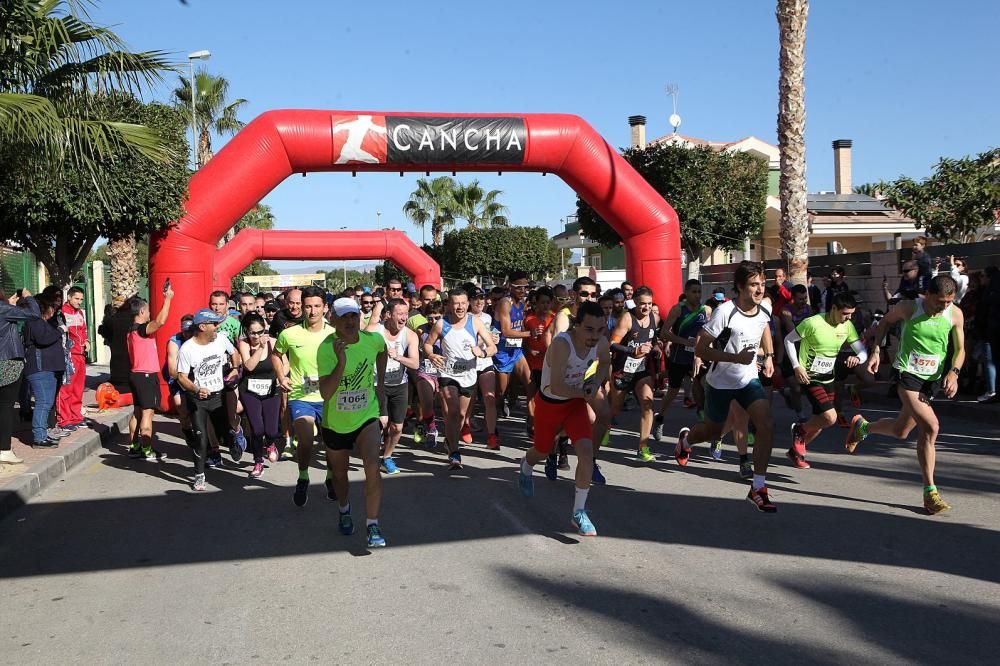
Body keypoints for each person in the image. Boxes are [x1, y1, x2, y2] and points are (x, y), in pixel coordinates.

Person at [845, 275, 964, 514]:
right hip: (907, 374)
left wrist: (954, 372)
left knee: (901, 430)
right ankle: (930, 493)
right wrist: (877, 350)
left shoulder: (954, 313)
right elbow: (885, 323)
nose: (942, 307)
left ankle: (863, 428)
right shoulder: (910, 308)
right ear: (927, 295)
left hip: (932, 379)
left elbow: (960, 349)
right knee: (931, 427)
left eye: (947, 303)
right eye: (939, 302)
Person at [676, 261, 778, 512]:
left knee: (765, 424)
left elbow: (763, 326)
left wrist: (769, 357)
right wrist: (735, 358)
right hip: (720, 382)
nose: (759, 290)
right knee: (712, 432)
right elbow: (701, 348)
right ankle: (686, 442)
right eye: (754, 285)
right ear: (740, 287)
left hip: (747, 379)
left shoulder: (764, 308)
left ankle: (758, 487)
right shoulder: (725, 312)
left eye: (762, 284)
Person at [517, 301, 611, 536]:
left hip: (575, 404)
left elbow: (606, 364)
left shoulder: (599, 342)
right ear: (576, 325)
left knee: (586, 454)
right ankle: (526, 465)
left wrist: (594, 383)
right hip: (550, 404)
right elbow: (557, 387)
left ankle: (578, 512)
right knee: (541, 449)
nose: (595, 336)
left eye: (600, 330)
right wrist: (586, 392)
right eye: (589, 329)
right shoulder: (562, 345)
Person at [318, 297, 389, 548]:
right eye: (344, 317)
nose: (350, 321)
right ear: (333, 320)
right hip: (336, 422)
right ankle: (344, 508)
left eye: (353, 315)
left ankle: (372, 525)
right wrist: (341, 363)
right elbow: (326, 393)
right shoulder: (327, 348)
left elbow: (382, 351)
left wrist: (380, 386)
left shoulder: (373, 340)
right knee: (340, 476)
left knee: (372, 466)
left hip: (366, 416)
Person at [784, 292, 867, 469]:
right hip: (810, 377)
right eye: (845, 313)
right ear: (834, 309)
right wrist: (796, 366)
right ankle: (799, 430)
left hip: (828, 377)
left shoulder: (847, 326)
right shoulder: (812, 323)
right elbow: (788, 340)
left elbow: (862, 351)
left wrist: (858, 358)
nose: (848, 318)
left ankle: (794, 452)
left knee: (819, 422)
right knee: (830, 417)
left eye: (851, 314)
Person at [273, 286, 337, 506]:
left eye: (317, 306)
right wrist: (282, 375)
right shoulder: (289, 333)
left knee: (332, 445)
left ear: (325, 308)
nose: (312, 311)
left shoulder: (334, 335)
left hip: (330, 397)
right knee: (307, 439)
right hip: (301, 395)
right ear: (301, 307)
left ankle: (330, 478)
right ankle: (303, 476)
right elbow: (276, 355)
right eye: (307, 306)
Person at [424, 288, 497, 469]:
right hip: (448, 375)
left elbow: (493, 347)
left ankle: (450, 440)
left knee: (462, 416)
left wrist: (482, 352)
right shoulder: (441, 324)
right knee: (454, 411)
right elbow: (427, 344)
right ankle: (455, 453)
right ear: (449, 304)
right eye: (456, 303)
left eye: (463, 303)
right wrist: (432, 356)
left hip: (468, 376)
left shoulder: (476, 322)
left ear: (468, 304)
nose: (460, 307)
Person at [176, 309, 242, 491]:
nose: (217, 327)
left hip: (219, 396)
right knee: (201, 439)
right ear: (203, 326)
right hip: (198, 400)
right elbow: (181, 377)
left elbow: (235, 352)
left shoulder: (220, 339)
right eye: (214, 324)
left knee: (225, 432)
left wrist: (235, 368)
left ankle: (234, 437)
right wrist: (197, 389)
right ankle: (199, 475)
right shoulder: (187, 349)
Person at [366, 297, 420, 474]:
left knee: (397, 427)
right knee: (382, 421)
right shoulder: (375, 330)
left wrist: (398, 357)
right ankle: (371, 452)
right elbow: (359, 350)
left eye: (406, 314)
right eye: (400, 314)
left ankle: (387, 457)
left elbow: (415, 364)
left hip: (399, 385)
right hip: (376, 383)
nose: (404, 318)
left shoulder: (409, 335)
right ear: (388, 315)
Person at [653, 280, 710, 442]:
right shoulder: (678, 309)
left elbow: (709, 333)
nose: (697, 295)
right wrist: (683, 341)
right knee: (673, 391)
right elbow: (664, 332)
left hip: (699, 356)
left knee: (705, 383)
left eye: (699, 291)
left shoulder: (706, 310)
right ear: (686, 292)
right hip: (679, 356)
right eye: (694, 292)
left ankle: (704, 415)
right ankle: (660, 418)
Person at [609, 286, 659, 462]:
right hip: (622, 369)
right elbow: (612, 344)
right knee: (615, 408)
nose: (646, 308)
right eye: (642, 304)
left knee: (648, 404)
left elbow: (653, 338)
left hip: (641, 370)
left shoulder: (654, 317)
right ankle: (605, 426)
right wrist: (633, 350)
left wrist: (658, 347)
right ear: (635, 303)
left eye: (649, 304)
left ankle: (643, 447)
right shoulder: (627, 318)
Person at [125, 287, 174, 460]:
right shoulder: (140, 329)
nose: (150, 313)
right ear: (142, 311)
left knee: (137, 412)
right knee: (147, 413)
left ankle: (134, 446)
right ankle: (147, 450)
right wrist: (167, 299)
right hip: (146, 375)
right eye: (148, 310)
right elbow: (160, 322)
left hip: (136, 375)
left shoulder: (131, 329)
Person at [238, 313, 281, 478]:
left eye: (260, 332)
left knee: (271, 430)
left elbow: (284, 363)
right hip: (250, 390)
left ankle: (270, 444)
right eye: (253, 333)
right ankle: (258, 462)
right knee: (257, 429)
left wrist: (281, 377)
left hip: (271, 389)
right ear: (247, 332)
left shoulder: (274, 343)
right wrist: (261, 348)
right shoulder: (244, 344)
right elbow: (249, 366)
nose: (257, 336)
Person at [0, 289, 40, 464]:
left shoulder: (5, 308)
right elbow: (34, 314)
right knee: (5, 406)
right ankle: (4, 449)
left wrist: (8, 306)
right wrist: (29, 297)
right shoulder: (3, 309)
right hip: (8, 361)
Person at [23, 293, 66, 448]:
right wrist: (60, 331)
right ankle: (39, 437)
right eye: (51, 306)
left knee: (46, 403)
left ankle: (42, 433)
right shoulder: (34, 322)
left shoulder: (41, 322)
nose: (53, 310)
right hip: (40, 369)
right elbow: (43, 339)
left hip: (48, 368)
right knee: (43, 402)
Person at [208, 290, 248, 457]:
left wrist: (235, 368)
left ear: (227, 305)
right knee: (211, 413)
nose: (217, 308)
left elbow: (241, 348)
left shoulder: (234, 324)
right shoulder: (204, 324)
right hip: (209, 374)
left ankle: (236, 430)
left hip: (230, 374)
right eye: (214, 304)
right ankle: (215, 450)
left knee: (231, 412)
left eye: (221, 304)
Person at [493, 271, 535, 419]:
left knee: (530, 385)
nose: (523, 291)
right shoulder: (505, 303)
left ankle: (532, 421)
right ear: (510, 286)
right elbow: (506, 331)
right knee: (500, 391)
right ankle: (497, 406)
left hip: (516, 351)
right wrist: (529, 334)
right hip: (503, 353)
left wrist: (529, 346)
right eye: (519, 287)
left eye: (525, 287)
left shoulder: (522, 303)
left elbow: (520, 326)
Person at [466, 288, 501, 449]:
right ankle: (465, 425)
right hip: (469, 364)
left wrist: (495, 338)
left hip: (486, 361)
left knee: (490, 398)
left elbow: (493, 337)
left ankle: (492, 435)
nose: (479, 302)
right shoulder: (465, 318)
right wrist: (481, 340)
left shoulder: (488, 317)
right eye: (475, 299)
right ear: (469, 301)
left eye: (482, 298)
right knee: (469, 400)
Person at [56, 286, 89, 431]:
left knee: (78, 388)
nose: (79, 302)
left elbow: (83, 330)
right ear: (69, 297)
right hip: (68, 355)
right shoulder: (62, 312)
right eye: (76, 298)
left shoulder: (80, 313)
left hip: (80, 355)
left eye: (81, 299)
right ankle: (64, 419)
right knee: (66, 388)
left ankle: (76, 416)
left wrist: (87, 341)